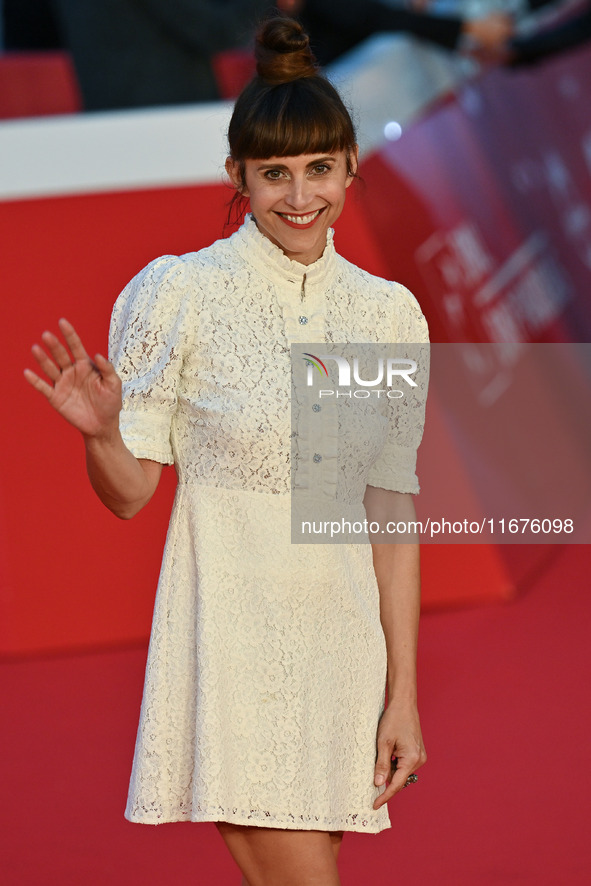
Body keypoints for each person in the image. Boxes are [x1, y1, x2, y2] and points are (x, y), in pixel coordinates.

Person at [24, 15, 428, 886]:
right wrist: (101, 433)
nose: (299, 196)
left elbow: (385, 513)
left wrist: (402, 695)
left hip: (341, 649)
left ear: (351, 167)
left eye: (319, 168)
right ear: (235, 177)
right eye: (274, 173)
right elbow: (130, 494)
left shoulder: (384, 314)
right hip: (234, 652)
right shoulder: (183, 294)